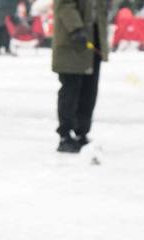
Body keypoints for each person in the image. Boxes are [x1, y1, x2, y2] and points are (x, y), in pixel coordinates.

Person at [51, 0, 107, 152]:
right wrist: (76, 28)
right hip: (72, 42)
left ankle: (82, 132)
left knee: (89, 90)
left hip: (93, 41)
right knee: (70, 90)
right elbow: (64, 5)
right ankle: (65, 135)